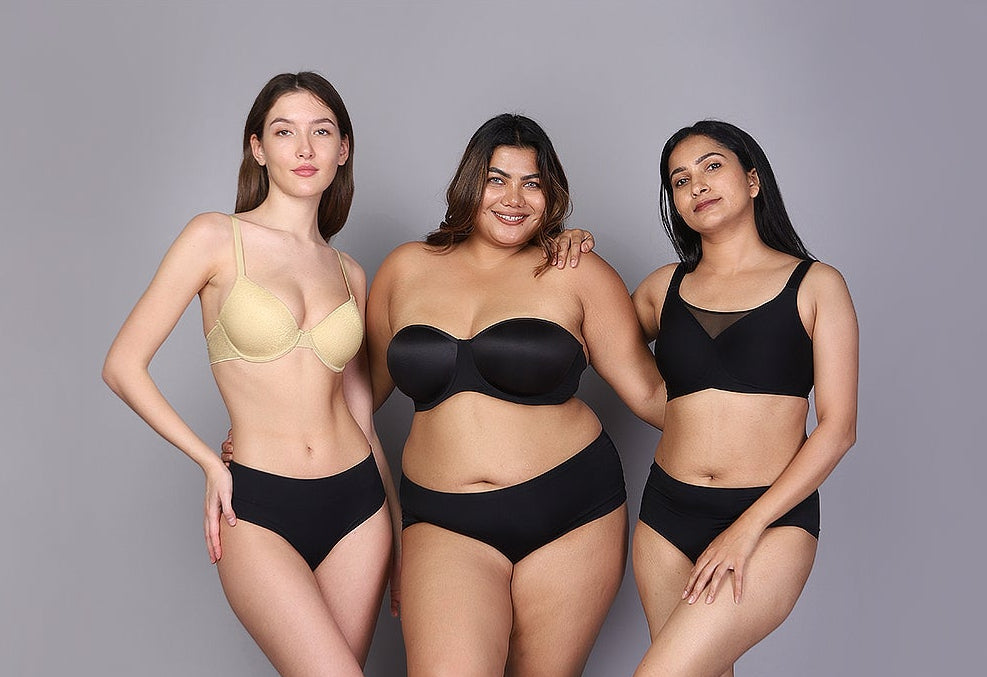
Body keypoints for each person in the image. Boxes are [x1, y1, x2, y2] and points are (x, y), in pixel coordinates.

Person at [102, 72, 402, 676]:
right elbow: (122, 366)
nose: (305, 149)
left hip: (360, 508)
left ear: (343, 150)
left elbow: (362, 414)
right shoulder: (214, 238)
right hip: (259, 501)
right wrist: (210, 462)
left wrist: (399, 527)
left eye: (322, 132)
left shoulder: (350, 272)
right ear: (257, 148)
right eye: (284, 132)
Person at [367, 114, 665, 676]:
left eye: (532, 182)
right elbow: (358, 397)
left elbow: (650, 393)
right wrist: (271, 432)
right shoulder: (406, 269)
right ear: (469, 183)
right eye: (497, 179)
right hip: (442, 518)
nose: (514, 198)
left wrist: (753, 428)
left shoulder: (576, 272)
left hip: (572, 511)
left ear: (551, 193)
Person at [630, 120, 858, 677]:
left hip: (770, 519)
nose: (697, 186)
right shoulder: (663, 289)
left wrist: (747, 527)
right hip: (666, 517)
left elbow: (838, 427)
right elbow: (583, 331)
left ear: (752, 180)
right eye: (679, 181)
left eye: (712, 166)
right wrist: (568, 245)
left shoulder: (816, 284)